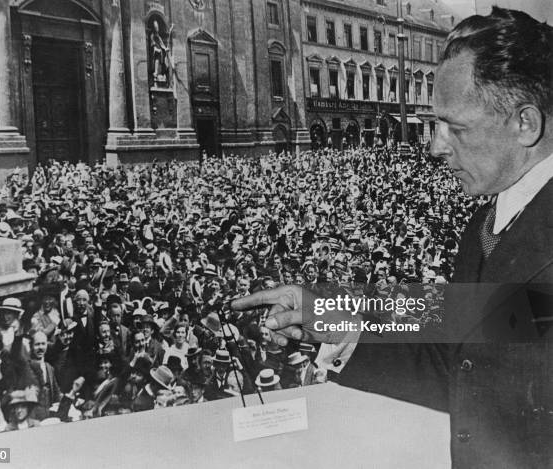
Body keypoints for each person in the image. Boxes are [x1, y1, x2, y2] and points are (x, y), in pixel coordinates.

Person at [231, 8, 553, 468]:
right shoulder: (486, 224)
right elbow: (464, 360)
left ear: (526, 123)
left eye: (455, 128)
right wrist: (335, 318)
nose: (436, 146)